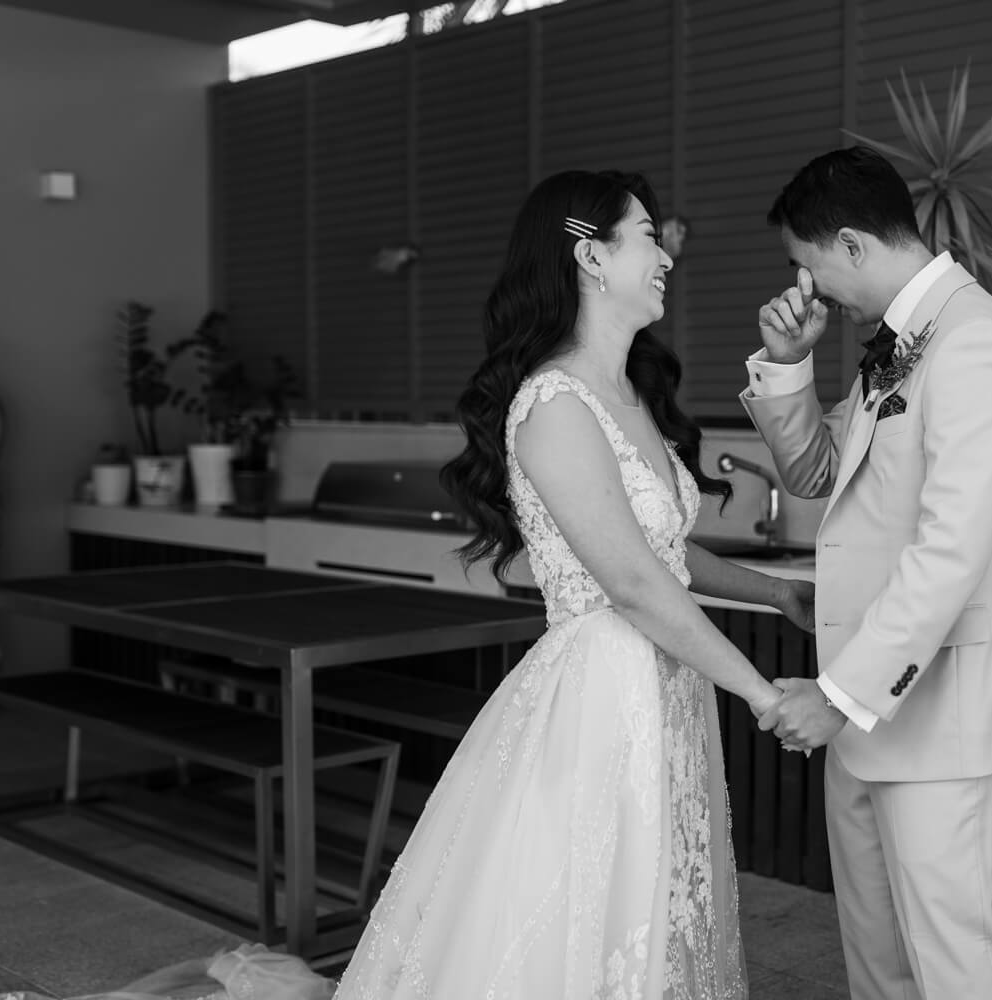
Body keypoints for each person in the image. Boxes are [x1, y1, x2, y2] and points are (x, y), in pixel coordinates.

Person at [333, 169, 813, 997]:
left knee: (660, 902)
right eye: (649, 236)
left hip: (667, 684)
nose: (667, 257)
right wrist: (764, 695)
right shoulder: (554, 403)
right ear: (591, 257)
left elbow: (661, 553)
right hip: (602, 694)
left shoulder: (631, 393)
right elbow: (632, 584)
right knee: (590, 911)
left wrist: (775, 592)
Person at [744, 146, 992, 1000]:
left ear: (851, 244)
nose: (808, 289)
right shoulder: (899, 343)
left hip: (938, 722)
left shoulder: (975, 340)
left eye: (807, 266)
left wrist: (837, 696)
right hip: (865, 723)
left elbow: (951, 553)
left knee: (958, 970)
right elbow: (818, 473)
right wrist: (789, 363)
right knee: (879, 970)